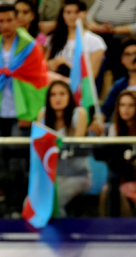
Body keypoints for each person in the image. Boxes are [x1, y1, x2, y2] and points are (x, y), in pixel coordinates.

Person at [0, 3, 48, 216]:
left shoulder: (31, 47)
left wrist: (31, 115)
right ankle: (9, 207)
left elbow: (39, 82)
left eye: (9, 20)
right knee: (3, 164)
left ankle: (21, 207)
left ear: (18, 20)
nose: (5, 25)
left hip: (21, 114)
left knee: (19, 164)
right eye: (1, 21)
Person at [38, 80, 91, 215]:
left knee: (53, 201)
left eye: (62, 94)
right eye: (53, 95)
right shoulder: (43, 114)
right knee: (30, 202)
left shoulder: (79, 114)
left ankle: (59, 235)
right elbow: (40, 148)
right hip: (51, 176)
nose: (58, 98)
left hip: (77, 175)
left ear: (69, 96)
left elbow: (74, 146)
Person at [86, 0, 136, 77]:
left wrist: (114, 30)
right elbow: (88, 18)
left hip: (134, 40)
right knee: (94, 45)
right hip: (104, 37)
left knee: (111, 48)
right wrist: (97, 28)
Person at [45, 0, 106, 78]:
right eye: (68, 12)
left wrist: (67, 66)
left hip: (78, 84)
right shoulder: (53, 38)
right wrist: (51, 63)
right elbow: (43, 64)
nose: (72, 16)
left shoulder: (96, 41)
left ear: (85, 13)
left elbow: (92, 75)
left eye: (77, 12)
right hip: (53, 79)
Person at [94, 36, 136, 128]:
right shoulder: (118, 85)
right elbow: (105, 110)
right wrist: (97, 121)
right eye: (127, 54)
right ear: (122, 59)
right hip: (122, 129)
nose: (132, 58)